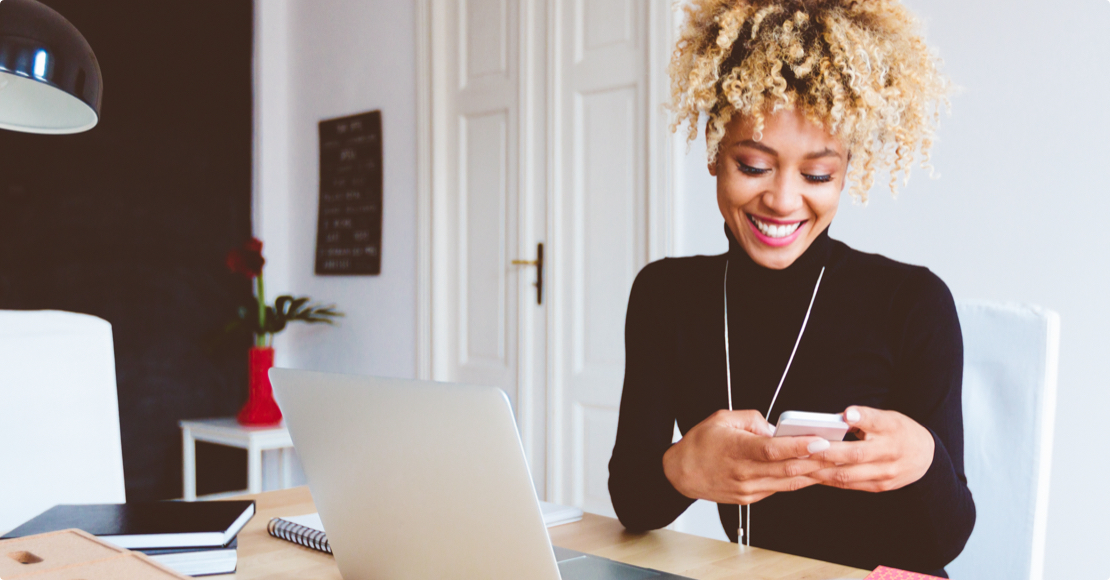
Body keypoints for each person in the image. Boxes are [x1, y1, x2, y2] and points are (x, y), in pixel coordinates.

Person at [607, 0, 975, 576]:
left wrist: (924, 462)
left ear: (847, 167)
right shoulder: (664, 296)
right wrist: (680, 469)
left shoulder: (914, 303)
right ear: (713, 148)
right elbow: (632, 502)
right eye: (753, 165)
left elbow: (946, 542)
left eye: (817, 174)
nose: (781, 200)